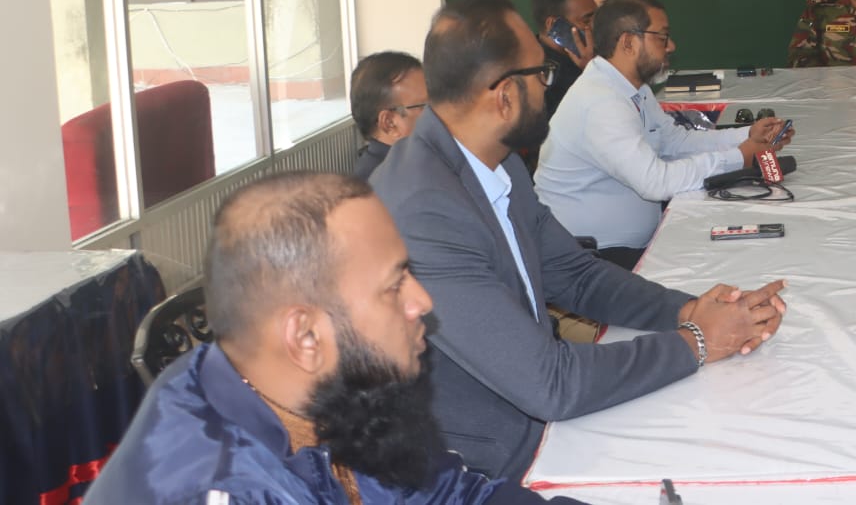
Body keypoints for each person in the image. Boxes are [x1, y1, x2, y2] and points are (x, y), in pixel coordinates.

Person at [370, 0, 786, 481]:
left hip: (537, 411)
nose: (550, 87)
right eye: (541, 74)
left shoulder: (496, 161)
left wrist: (689, 311)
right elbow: (548, 383)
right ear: (504, 95)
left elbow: (575, 274)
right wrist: (698, 341)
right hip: (482, 464)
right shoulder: (424, 210)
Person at [86, 171, 583, 504]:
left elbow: (452, 495)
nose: (422, 301)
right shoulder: (220, 487)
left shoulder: (339, 387)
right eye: (393, 286)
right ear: (306, 337)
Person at [536, 0, 793, 266]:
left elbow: (674, 142)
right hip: (591, 258)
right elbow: (656, 183)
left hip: (630, 244)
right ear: (628, 43)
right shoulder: (601, 102)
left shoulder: (632, 87)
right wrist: (740, 156)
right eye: (662, 37)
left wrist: (746, 136)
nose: (671, 46)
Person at [529, 0, 598, 121]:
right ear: (553, 25)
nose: (594, 26)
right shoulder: (539, 78)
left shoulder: (593, 53)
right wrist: (592, 72)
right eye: (586, 20)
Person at [350, 51, 427, 180]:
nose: (437, 112)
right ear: (389, 123)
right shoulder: (384, 181)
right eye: (424, 106)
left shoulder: (413, 159)